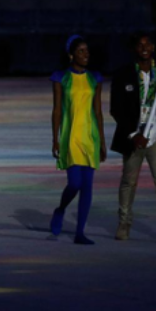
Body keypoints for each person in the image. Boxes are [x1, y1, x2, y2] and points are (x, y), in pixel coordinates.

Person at [110, 31, 156, 243]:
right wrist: (134, 135)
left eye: (148, 44)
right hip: (134, 137)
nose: (144, 48)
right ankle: (124, 222)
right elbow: (116, 109)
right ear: (134, 49)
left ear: (153, 47)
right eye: (140, 44)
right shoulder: (123, 74)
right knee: (129, 181)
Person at [50, 35, 106, 245]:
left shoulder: (95, 78)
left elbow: (98, 111)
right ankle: (61, 209)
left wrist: (101, 139)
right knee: (74, 183)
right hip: (70, 136)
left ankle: (80, 232)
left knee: (88, 186)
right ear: (71, 55)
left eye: (87, 51)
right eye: (81, 51)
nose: (86, 54)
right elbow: (56, 110)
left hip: (90, 137)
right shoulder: (60, 77)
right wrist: (55, 139)